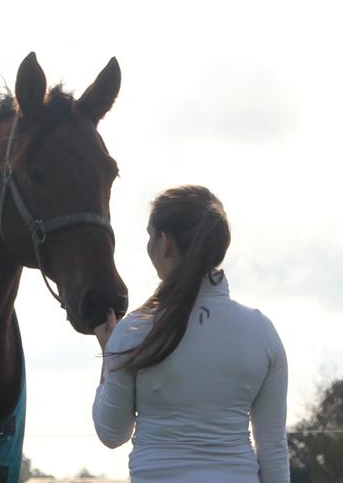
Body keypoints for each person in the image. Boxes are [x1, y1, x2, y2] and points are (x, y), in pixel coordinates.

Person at [92, 185, 289, 483]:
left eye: (150, 235)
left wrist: (111, 356)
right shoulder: (262, 332)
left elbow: (111, 432)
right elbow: (273, 450)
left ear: (166, 242)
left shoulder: (133, 332)